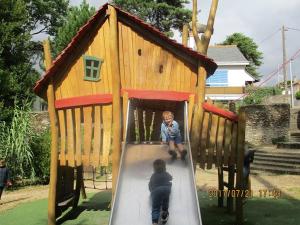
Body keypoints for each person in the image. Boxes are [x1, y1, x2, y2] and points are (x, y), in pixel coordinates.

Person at [149, 159, 172, 225]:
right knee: (165, 202)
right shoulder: (166, 174)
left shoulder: (153, 176)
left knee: (156, 207)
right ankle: (164, 214)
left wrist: (151, 192)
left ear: (154, 169)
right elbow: (170, 178)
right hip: (166, 189)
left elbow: (150, 185)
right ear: (165, 167)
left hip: (156, 191)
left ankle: (155, 222)